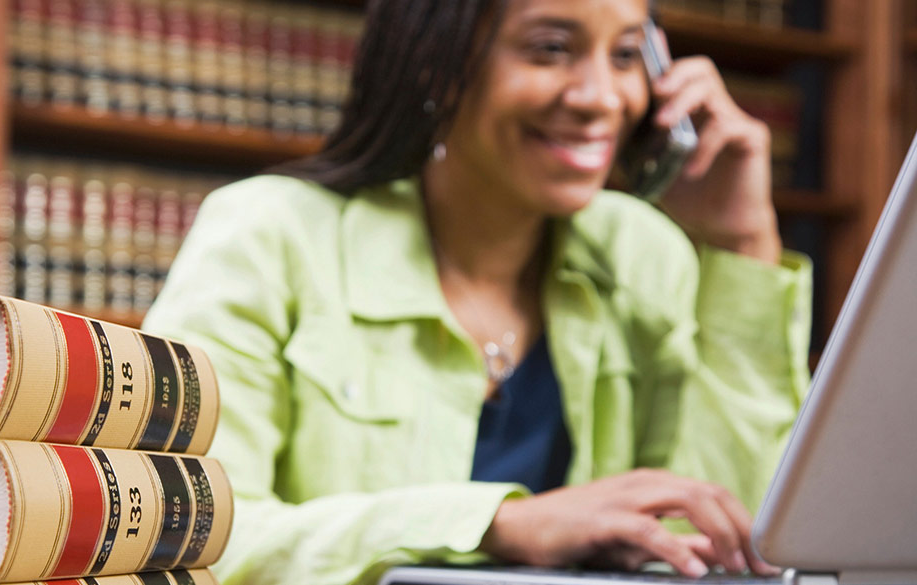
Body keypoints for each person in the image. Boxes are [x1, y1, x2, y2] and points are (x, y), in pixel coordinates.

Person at [142, 1, 812, 584]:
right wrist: (497, 525)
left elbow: (726, 540)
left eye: (627, 55)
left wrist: (742, 246)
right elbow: (185, 533)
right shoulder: (268, 235)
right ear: (436, 60)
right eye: (551, 49)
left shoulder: (643, 254)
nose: (602, 96)